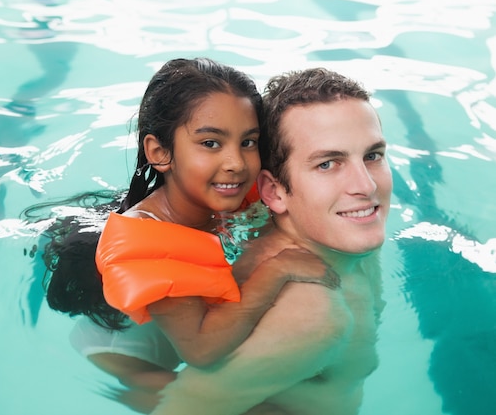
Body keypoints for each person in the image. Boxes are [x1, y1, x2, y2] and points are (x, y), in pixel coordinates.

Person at [23, 58, 327, 413]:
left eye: (248, 142)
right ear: (160, 152)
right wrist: (278, 269)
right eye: (211, 143)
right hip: (128, 350)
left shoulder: (226, 194)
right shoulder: (148, 241)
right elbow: (201, 351)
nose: (236, 163)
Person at [149, 66, 392, 415]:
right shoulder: (310, 317)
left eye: (373, 155)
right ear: (275, 192)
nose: (367, 186)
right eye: (328, 164)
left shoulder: (345, 236)